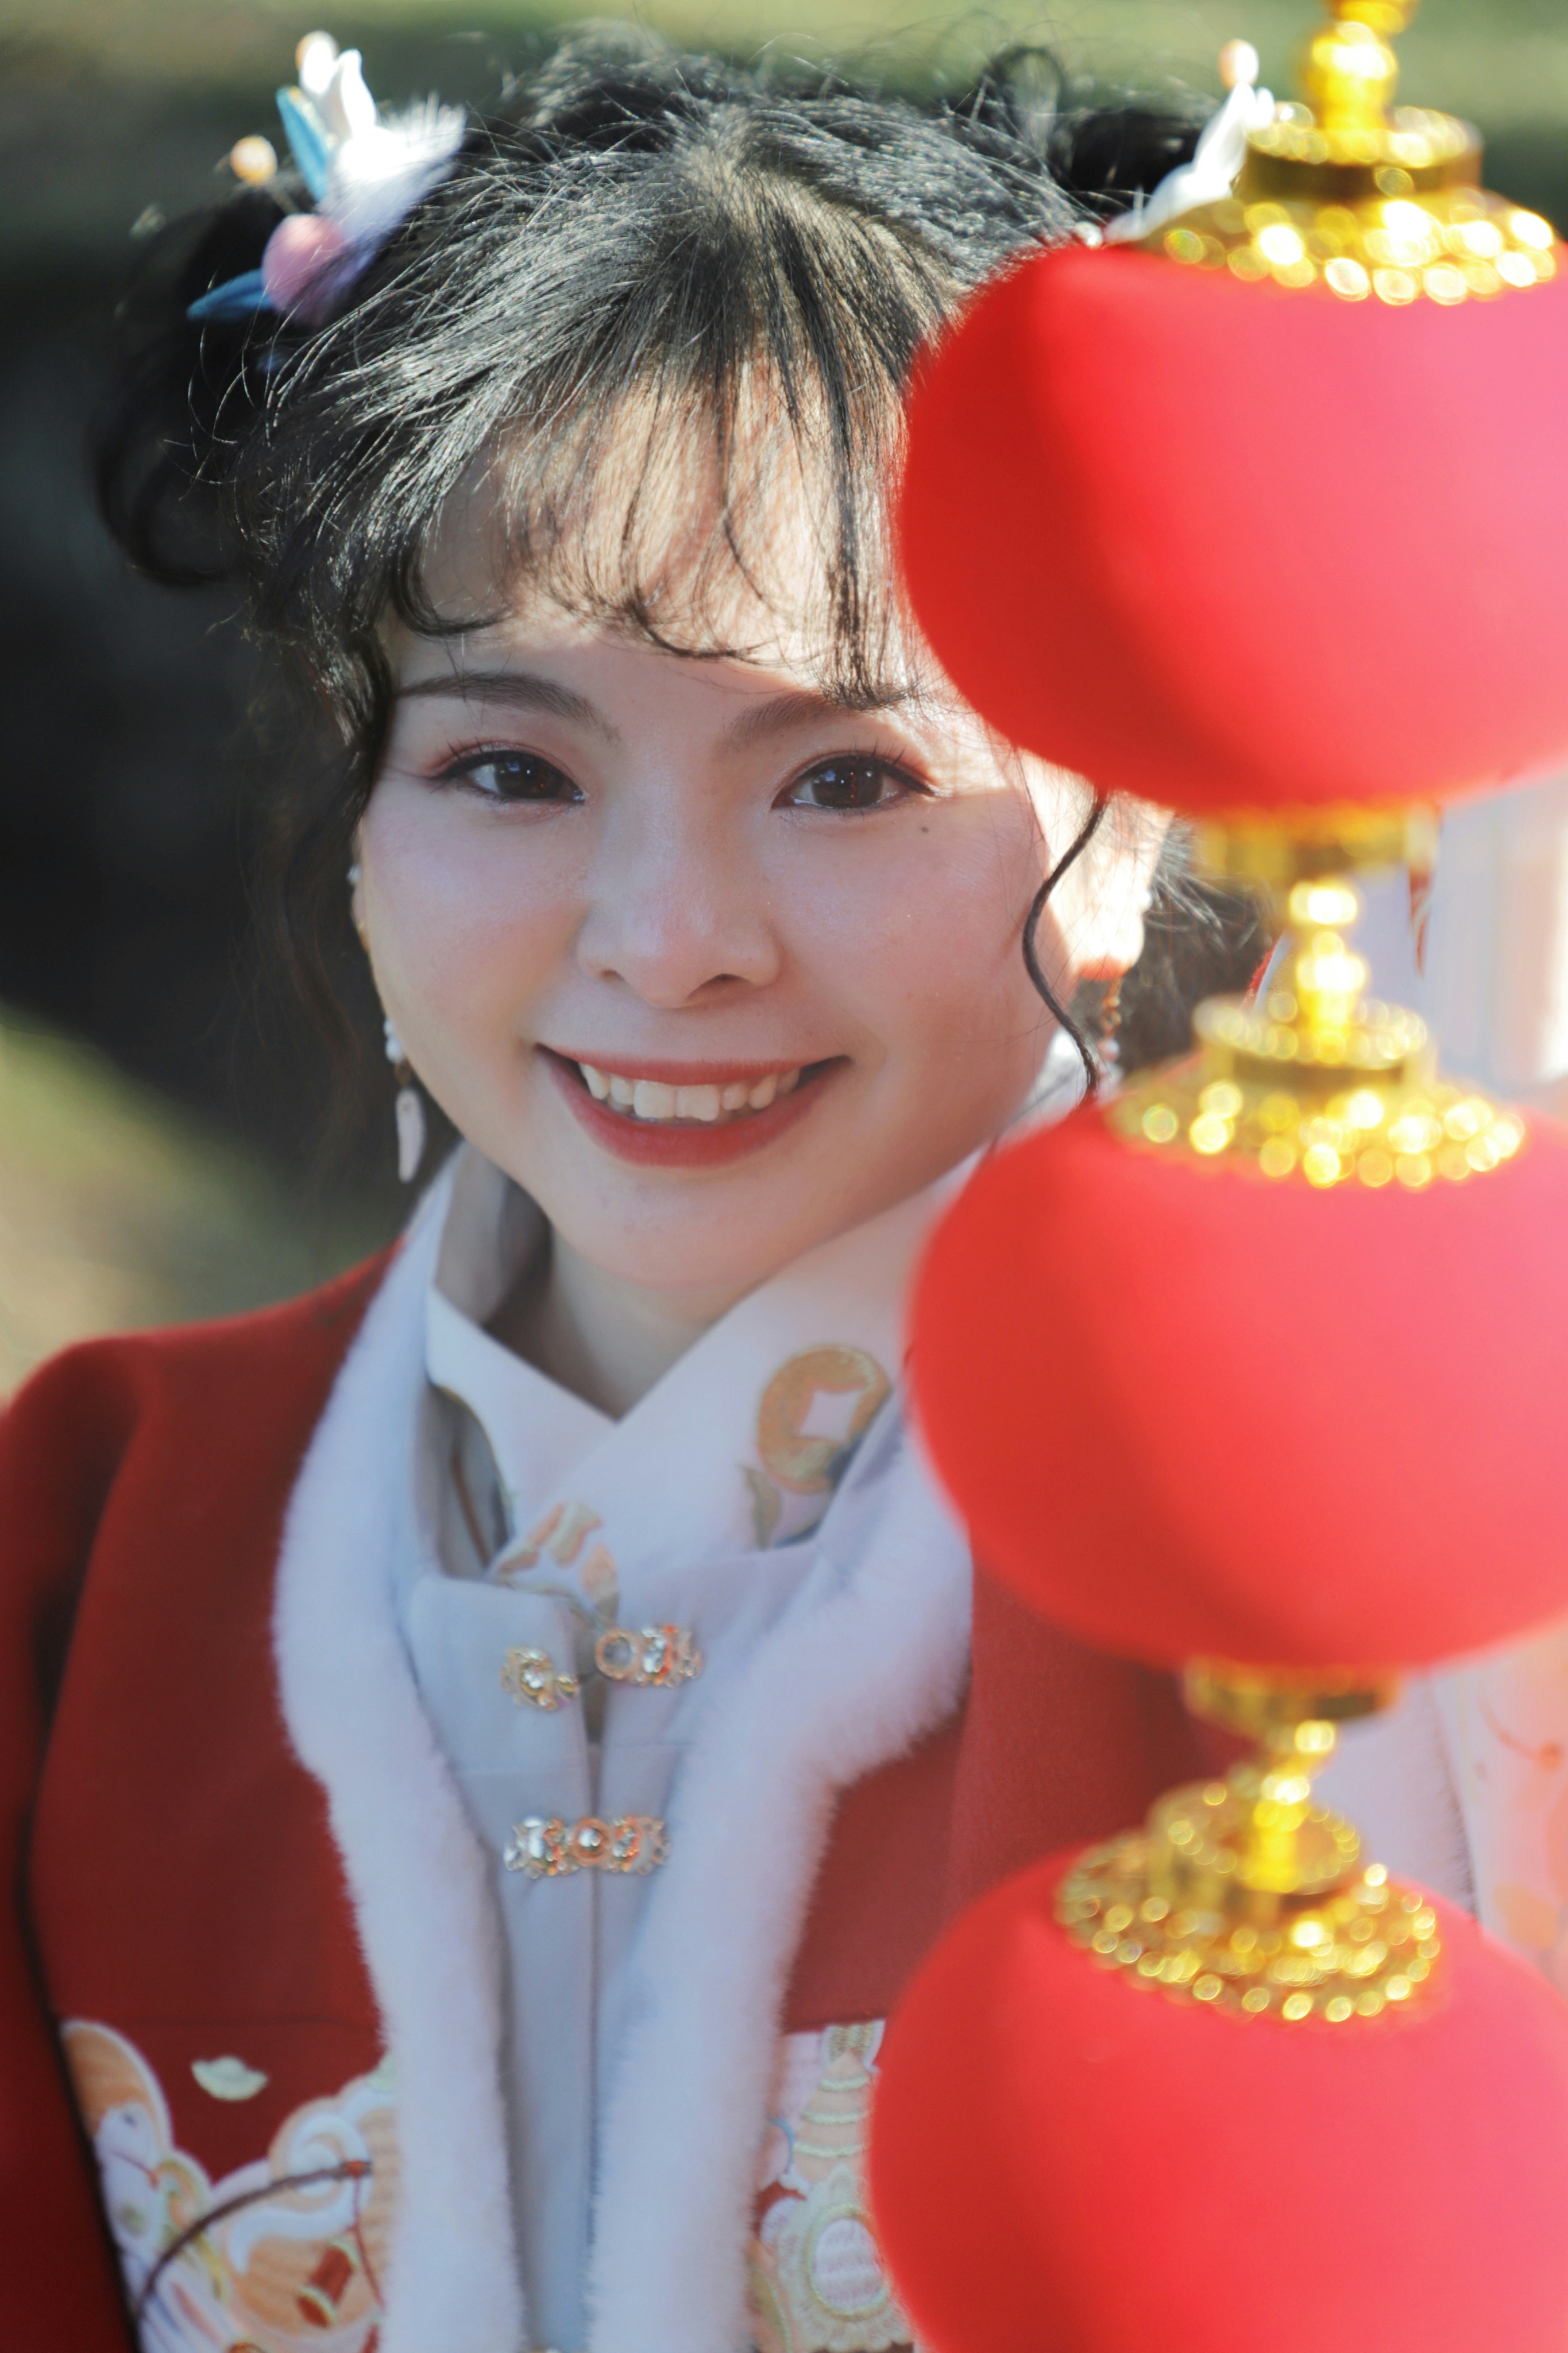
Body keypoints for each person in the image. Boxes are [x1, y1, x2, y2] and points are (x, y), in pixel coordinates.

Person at [0, 28, 1299, 2353]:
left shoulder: (1329, 1565)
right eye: (509, 767)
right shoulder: (90, 1537)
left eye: (845, 778)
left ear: (1131, 827)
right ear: (361, 817)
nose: (666, 937)